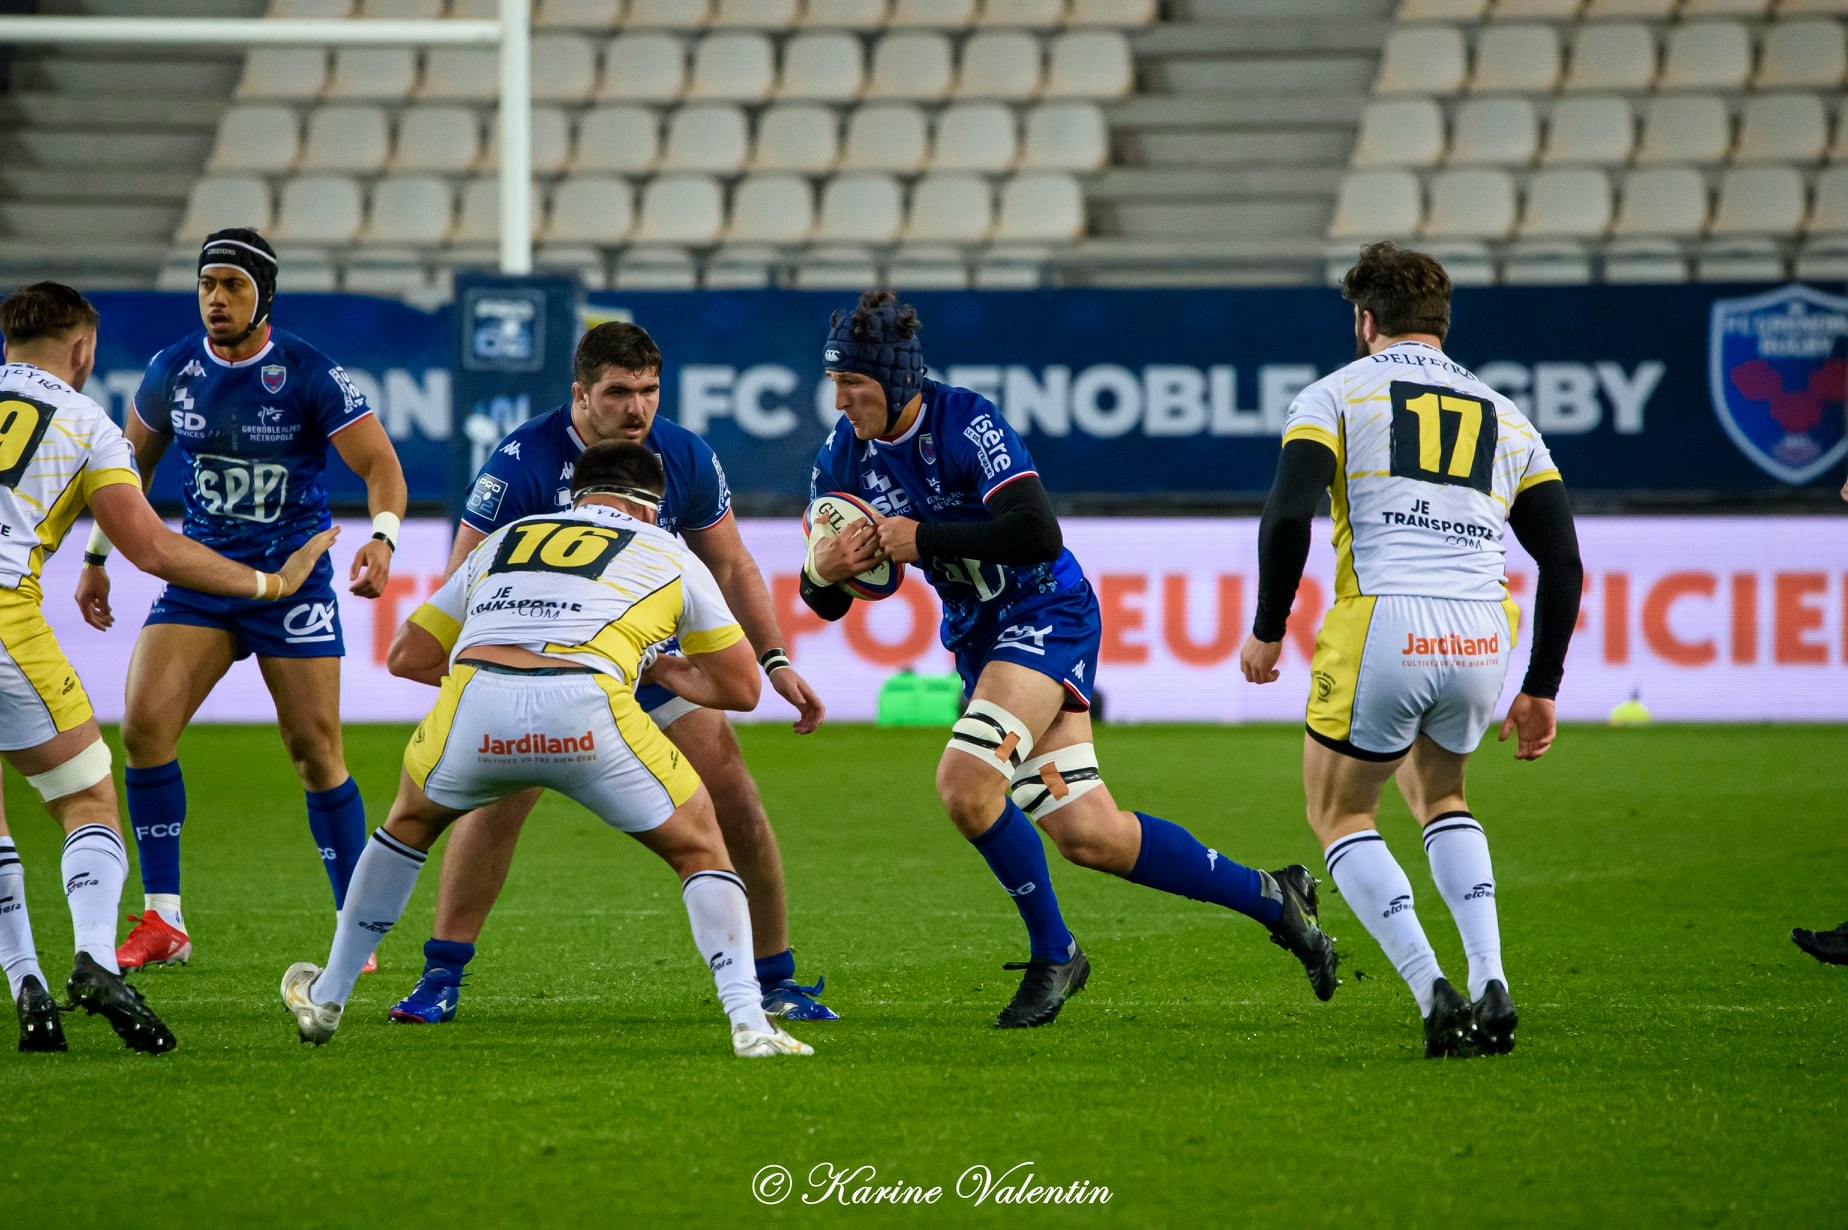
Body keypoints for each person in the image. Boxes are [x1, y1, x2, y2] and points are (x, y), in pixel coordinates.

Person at [801, 290, 1338, 1030]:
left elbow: (1037, 532)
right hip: (982, 640)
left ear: (896, 382)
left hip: (1046, 613)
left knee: (965, 785)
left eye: (854, 385)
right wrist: (822, 568)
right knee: (1093, 835)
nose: (841, 399)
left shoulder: (966, 420)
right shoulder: (842, 456)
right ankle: (1272, 897)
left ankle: (1057, 952)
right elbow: (829, 601)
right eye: (836, 384)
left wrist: (922, 538)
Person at [281, 442, 812, 1059]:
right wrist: (660, 671)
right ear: (649, 506)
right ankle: (748, 1021)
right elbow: (740, 689)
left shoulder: (505, 538)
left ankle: (328, 996)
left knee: (405, 828)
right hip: (589, 705)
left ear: (578, 497)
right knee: (701, 847)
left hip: (475, 703)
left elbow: (406, 657)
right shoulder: (667, 550)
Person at [386, 322, 834, 1026]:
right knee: (499, 808)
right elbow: (461, 582)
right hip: (547, 667)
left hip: (649, 664)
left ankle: (776, 979)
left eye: (650, 391)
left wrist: (774, 659)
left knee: (736, 801)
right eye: (619, 392)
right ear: (581, 396)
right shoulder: (521, 462)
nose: (638, 409)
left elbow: (732, 564)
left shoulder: (682, 453)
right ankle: (440, 977)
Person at [1239, 241, 1584, 1059]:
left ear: (1366, 322)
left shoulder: (1335, 394)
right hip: (1478, 627)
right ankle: (1492, 978)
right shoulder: (1507, 416)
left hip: (1384, 619)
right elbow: (1563, 561)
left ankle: (1435, 990)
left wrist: (1266, 625)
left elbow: (1288, 516)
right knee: (1443, 798)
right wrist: (1543, 686)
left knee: (1341, 812)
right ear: (1440, 323)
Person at [0, 281, 334, 1052]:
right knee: (84, 797)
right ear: (82, 350)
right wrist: (267, 583)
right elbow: (151, 546)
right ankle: (88, 957)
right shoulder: (84, 421)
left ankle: (26, 983)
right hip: (6, 622)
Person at [78, 229, 407, 971]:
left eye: (232, 285)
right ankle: (165, 920)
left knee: (315, 751)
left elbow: (381, 465)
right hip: (202, 579)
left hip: (291, 580)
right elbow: (122, 471)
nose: (216, 299)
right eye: (207, 285)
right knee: (144, 729)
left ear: (263, 294)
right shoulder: (172, 370)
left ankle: (355, 930)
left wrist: (383, 538)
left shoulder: (308, 373)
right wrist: (97, 555)